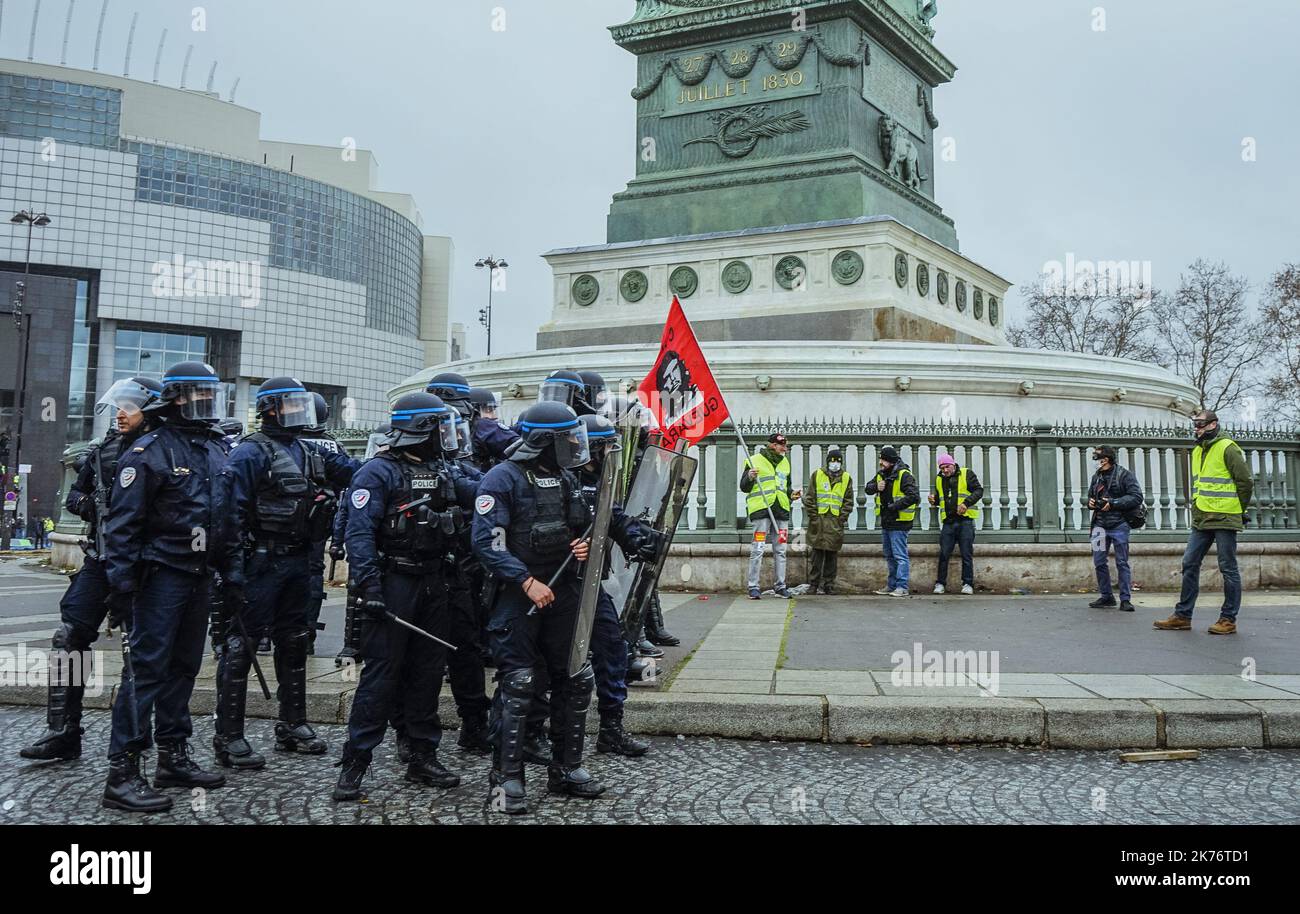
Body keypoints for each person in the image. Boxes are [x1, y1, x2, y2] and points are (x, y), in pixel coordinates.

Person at [100, 361, 230, 813]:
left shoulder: (215, 448)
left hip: (198, 576)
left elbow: (224, 516)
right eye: (199, 394)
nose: (208, 402)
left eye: (212, 394)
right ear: (175, 398)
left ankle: (173, 757)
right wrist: (121, 586)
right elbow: (121, 527)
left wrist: (231, 570)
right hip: (159, 577)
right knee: (146, 674)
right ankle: (123, 773)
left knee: (184, 668)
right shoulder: (147, 451)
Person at [213, 378, 357, 771]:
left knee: (294, 643)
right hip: (260, 564)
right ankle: (228, 735)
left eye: (302, 403)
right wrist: (232, 571)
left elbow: (358, 474)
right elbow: (229, 515)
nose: (300, 409)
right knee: (241, 648)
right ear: (271, 408)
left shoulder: (310, 449)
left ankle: (293, 725)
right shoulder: (249, 453)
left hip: (298, 562)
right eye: (292, 403)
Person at [19, 377, 162, 762]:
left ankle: (137, 737)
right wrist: (97, 506)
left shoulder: (163, 449)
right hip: (100, 560)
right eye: (119, 406)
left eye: (129, 407)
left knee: (141, 651)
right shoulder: (104, 450)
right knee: (69, 637)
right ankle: (63, 731)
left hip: (147, 566)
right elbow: (75, 496)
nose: (120, 414)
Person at [471, 400, 602, 814]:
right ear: (544, 441)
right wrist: (526, 581)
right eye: (566, 438)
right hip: (518, 595)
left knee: (575, 677)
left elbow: (578, 524)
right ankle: (506, 778)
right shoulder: (501, 479)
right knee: (520, 683)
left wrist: (578, 544)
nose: (573, 445)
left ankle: (566, 769)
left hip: (561, 590)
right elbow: (487, 541)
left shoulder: (565, 478)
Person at [333, 393, 465, 801]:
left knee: (426, 673)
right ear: (420, 428)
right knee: (381, 676)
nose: (446, 435)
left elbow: (479, 492)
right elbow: (359, 535)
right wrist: (370, 587)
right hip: (393, 583)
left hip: (432, 581)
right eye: (439, 427)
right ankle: (356, 761)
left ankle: (422, 754)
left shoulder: (441, 469)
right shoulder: (377, 473)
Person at [576, 414, 659, 757]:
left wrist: (642, 540)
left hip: (591, 585)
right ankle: (536, 735)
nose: (613, 451)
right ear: (591, 449)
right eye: (607, 446)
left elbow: (616, 519)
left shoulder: (601, 483)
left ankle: (611, 731)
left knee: (613, 649)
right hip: (555, 587)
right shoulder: (564, 480)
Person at [1155, 409, 1254, 634]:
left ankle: (1228, 619)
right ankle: (1182, 616)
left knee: (1227, 568)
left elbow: (1245, 481)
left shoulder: (1228, 447)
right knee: (1189, 563)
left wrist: (1240, 509)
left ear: (1213, 425)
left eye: (1200, 424)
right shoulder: (1198, 450)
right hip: (1202, 516)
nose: (1197, 428)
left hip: (1226, 516)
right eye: (1195, 425)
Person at [300, 393, 344, 656]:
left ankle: (263, 636)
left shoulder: (284, 441)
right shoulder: (331, 446)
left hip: (277, 524)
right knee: (313, 574)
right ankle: (307, 634)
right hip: (317, 522)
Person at [740, 433, 800, 599]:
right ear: (773, 445)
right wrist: (750, 477)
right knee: (758, 548)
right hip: (762, 511)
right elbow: (744, 486)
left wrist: (792, 494)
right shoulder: (754, 460)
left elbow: (785, 487)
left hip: (781, 511)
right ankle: (753, 587)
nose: (785, 448)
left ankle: (780, 586)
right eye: (782, 445)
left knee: (781, 549)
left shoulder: (785, 463)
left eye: (785, 445)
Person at [1085, 445, 1144, 612]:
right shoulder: (1096, 477)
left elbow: (1136, 497)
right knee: (1098, 562)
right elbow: (1091, 495)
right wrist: (1090, 503)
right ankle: (1107, 596)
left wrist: (1113, 504)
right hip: (1099, 525)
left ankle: (1125, 599)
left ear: (1106, 459)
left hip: (1119, 524)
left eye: (1097, 458)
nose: (1095, 462)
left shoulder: (1124, 475)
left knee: (1122, 562)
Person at [864, 446, 918, 597]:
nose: (880, 462)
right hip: (887, 521)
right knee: (889, 555)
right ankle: (892, 585)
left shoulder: (904, 475)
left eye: (883, 459)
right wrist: (876, 486)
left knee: (900, 556)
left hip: (900, 521)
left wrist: (894, 507)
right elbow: (867, 488)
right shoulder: (882, 474)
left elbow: (914, 496)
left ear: (890, 461)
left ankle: (902, 586)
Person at [929, 453, 983, 595]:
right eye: (942, 468)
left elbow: (979, 490)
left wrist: (966, 503)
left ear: (953, 464)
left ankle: (967, 583)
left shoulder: (966, 473)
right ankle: (940, 583)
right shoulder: (939, 479)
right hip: (948, 521)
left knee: (966, 554)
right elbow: (939, 498)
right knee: (944, 554)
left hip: (965, 520)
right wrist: (933, 500)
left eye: (947, 467)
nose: (945, 470)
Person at [802, 447, 852, 595]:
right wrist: (814, 517)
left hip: (835, 521)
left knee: (831, 555)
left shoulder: (846, 478)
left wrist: (841, 518)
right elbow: (809, 497)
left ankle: (829, 584)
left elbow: (848, 501)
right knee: (816, 554)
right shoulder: (817, 475)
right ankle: (814, 583)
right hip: (819, 521)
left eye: (838, 461)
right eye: (832, 461)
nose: (835, 463)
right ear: (828, 461)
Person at [468, 386, 518, 471]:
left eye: (493, 410)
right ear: (474, 412)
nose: (494, 416)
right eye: (488, 410)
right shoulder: (482, 426)